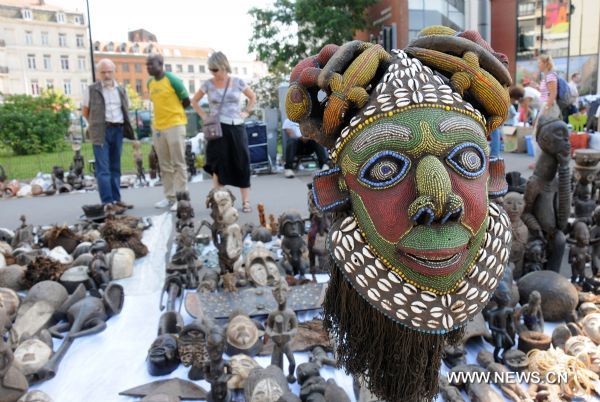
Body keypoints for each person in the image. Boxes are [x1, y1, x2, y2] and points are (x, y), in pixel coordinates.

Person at [191, 51, 257, 213]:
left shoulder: (237, 82)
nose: (213, 73)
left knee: (241, 163)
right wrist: (204, 116)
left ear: (223, 66)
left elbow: (252, 97)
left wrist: (246, 112)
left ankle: (246, 202)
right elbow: (194, 101)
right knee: (218, 165)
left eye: (216, 69)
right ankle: (219, 201)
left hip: (236, 127)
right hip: (217, 129)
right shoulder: (208, 84)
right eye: (211, 70)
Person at [82, 58, 135, 215]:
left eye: (109, 72)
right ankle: (107, 202)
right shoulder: (91, 89)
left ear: (114, 72)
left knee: (115, 167)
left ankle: (116, 200)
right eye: (103, 72)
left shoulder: (121, 90)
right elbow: (85, 112)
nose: (106, 75)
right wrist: (95, 125)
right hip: (101, 131)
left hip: (117, 130)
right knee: (103, 169)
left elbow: (126, 109)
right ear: (99, 73)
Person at [146, 53, 191, 211]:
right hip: (158, 128)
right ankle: (169, 196)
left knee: (178, 163)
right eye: (147, 65)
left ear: (161, 64)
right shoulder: (150, 83)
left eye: (151, 64)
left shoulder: (172, 80)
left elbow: (186, 101)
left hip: (175, 125)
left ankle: (182, 198)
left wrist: (175, 113)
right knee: (164, 164)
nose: (148, 68)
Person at [536, 54, 560, 121]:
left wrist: (546, 108)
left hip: (548, 108)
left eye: (539, 63)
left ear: (545, 63)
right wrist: (538, 87)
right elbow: (547, 92)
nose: (538, 65)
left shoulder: (550, 76)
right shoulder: (547, 76)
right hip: (544, 106)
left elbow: (553, 93)